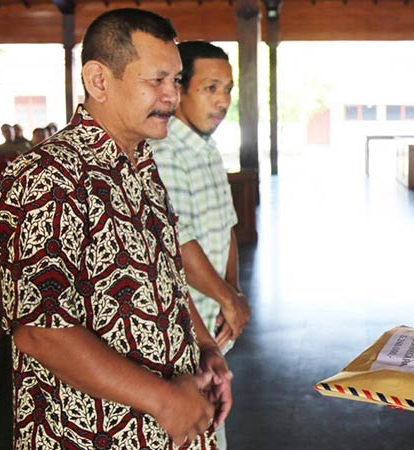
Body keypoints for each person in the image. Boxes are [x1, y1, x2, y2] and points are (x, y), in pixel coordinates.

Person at [0, 9, 231, 450]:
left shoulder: (141, 164)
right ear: (99, 81)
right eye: (156, 80)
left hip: (174, 423)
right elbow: (41, 329)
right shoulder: (46, 176)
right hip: (95, 435)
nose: (171, 97)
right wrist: (164, 400)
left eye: (175, 80)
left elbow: (165, 275)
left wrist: (204, 347)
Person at [150, 40, 250, 450]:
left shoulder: (206, 148)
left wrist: (233, 292)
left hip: (211, 330)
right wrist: (228, 298)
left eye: (228, 89)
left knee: (213, 427)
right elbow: (178, 241)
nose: (223, 100)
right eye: (211, 88)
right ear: (179, 90)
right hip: (178, 328)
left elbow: (226, 224)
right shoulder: (165, 149)